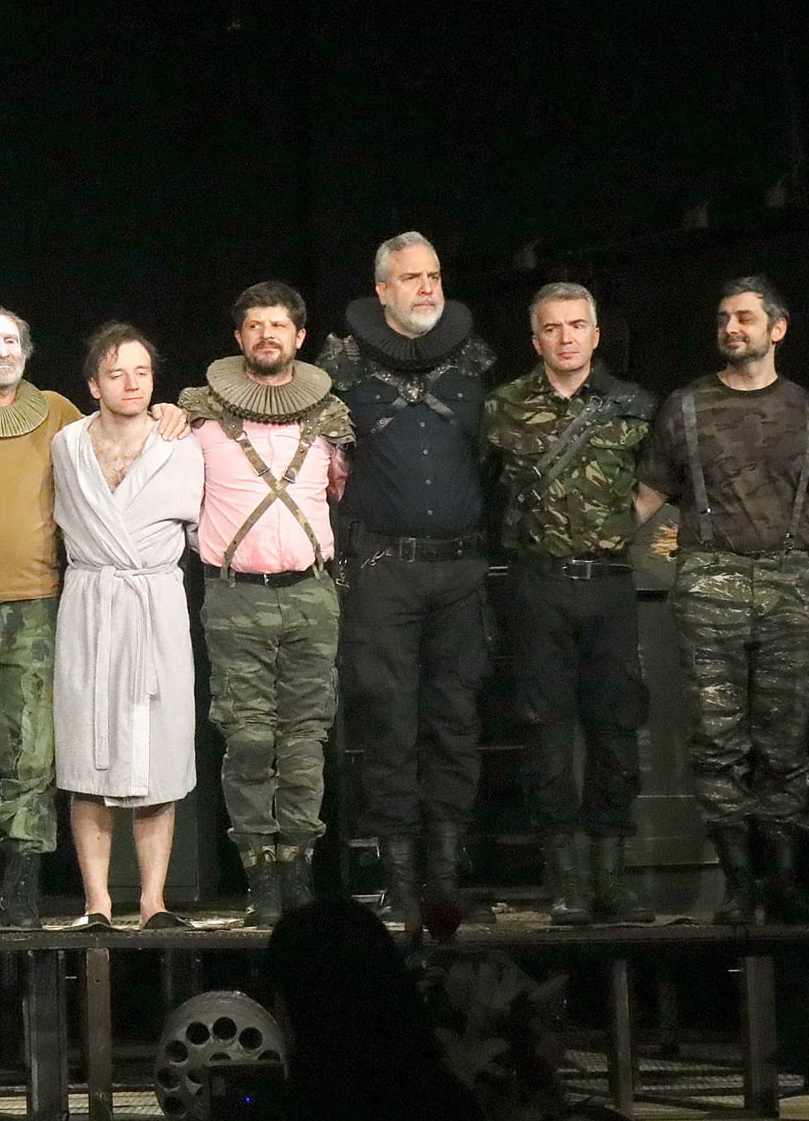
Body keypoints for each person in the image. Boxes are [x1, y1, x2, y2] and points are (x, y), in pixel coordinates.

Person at [0, 306, 187, 931]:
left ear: (27, 352)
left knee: (32, 752)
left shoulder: (57, 413)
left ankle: (22, 892)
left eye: (12, 340)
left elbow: (120, 425)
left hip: (39, 602)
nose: (3, 350)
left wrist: (171, 410)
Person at [636, 275, 809, 925]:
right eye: (723, 318)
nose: (731, 328)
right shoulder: (686, 408)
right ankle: (739, 886)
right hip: (710, 584)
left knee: (785, 742)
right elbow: (645, 498)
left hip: (790, 586)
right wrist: (580, 546)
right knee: (717, 741)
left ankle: (782, 881)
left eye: (744, 317)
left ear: (776, 329)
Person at [317, 232, 496, 929]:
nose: (427, 288)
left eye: (434, 275)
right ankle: (397, 881)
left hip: (460, 569)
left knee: (455, 721)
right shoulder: (340, 368)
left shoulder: (476, 362)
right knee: (388, 721)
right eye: (412, 277)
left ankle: (446, 878)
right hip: (382, 570)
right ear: (382, 289)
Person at [483, 283, 655, 927]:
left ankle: (612, 877)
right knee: (544, 729)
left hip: (609, 583)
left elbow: (661, 480)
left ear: (596, 334)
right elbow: (481, 487)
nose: (566, 338)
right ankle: (567, 881)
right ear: (536, 340)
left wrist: (617, 525)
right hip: (539, 584)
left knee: (616, 727)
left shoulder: (633, 406)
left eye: (577, 325)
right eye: (552, 328)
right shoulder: (502, 407)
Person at [181, 283, 350, 927]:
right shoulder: (198, 417)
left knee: (305, 739)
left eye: (278, 325)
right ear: (238, 337)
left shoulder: (331, 418)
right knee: (248, 738)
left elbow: (344, 489)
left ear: (299, 337)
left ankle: (298, 868)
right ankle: (259, 872)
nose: (267, 335)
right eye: (255, 325)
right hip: (235, 596)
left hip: (310, 593)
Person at [51, 324, 203, 930]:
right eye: (116, 373)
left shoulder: (180, 442)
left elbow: (201, 530)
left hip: (153, 602)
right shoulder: (66, 444)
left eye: (142, 372)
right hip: (90, 601)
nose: (132, 384)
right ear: (94, 385)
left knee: (159, 753)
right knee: (86, 757)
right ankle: (96, 902)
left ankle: (153, 901)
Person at [266, 899, 501, 1121]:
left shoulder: (333, 1101)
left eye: (282, 993)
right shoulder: (434, 1088)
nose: (277, 1010)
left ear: (307, 1000)